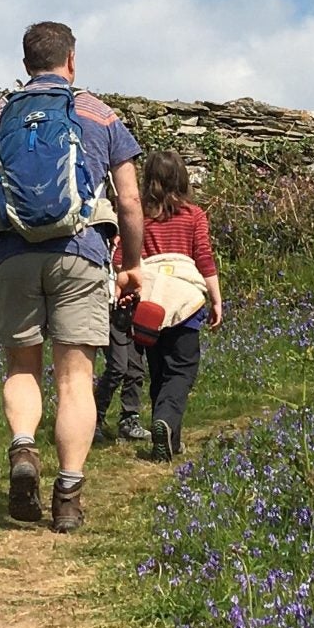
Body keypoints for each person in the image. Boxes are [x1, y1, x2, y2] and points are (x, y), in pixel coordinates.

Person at [0, 22, 145, 531]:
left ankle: (23, 450)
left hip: (13, 254)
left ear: (25, 64)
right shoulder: (99, 113)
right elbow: (128, 198)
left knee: (22, 367)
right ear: (72, 60)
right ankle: (67, 496)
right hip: (80, 252)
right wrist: (133, 264)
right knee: (74, 378)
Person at [132, 148, 223, 461]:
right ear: (182, 178)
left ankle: (170, 439)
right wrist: (216, 299)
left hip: (151, 308)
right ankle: (166, 424)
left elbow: (123, 257)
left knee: (158, 371)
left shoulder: (139, 217)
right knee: (182, 371)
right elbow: (204, 258)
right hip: (184, 305)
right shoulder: (193, 215)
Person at [89, 187, 150, 444]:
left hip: (130, 307)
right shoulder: (99, 237)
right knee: (117, 366)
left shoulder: (134, 237)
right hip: (107, 308)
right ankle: (93, 419)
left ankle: (129, 418)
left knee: (135, 367)